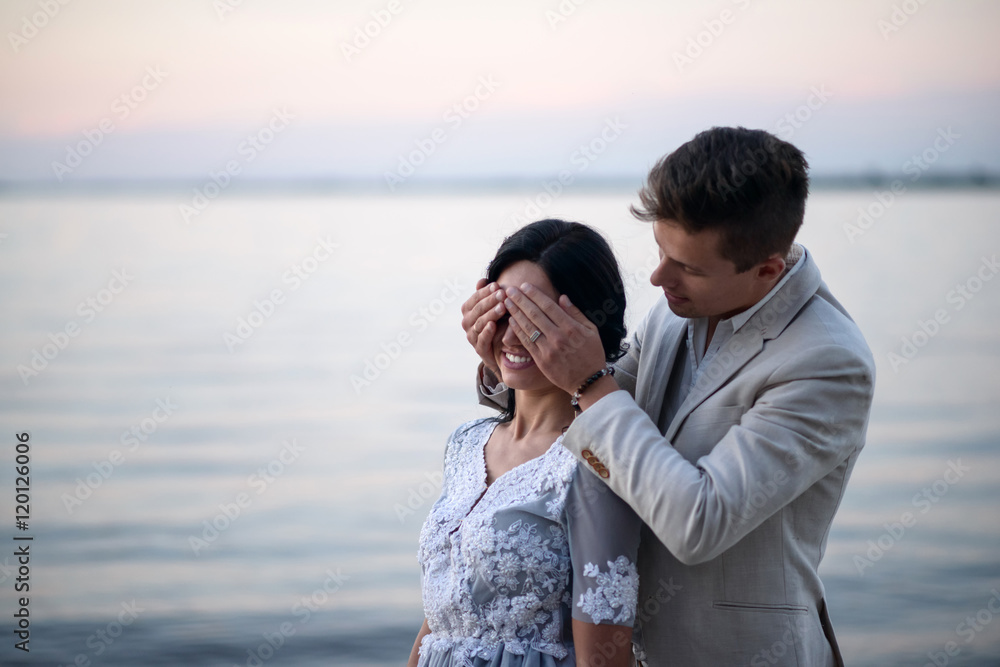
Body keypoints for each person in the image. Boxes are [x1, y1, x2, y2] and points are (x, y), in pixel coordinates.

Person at [464, 127, 876, 666]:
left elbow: (697, 523)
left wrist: (589, 382)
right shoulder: (674, 312)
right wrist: (507, 359)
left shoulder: (827, 364)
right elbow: (584, 421)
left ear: (767, 269)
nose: (659, 278)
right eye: (661, 250)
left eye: (688, 267)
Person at [408, 219, 643, 667]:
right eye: (504, 311)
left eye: (539, 317)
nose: (514, 335)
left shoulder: (592, 462)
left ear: (587, 328)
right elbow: (444, 615)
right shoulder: (466, 443)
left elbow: (604, 658)